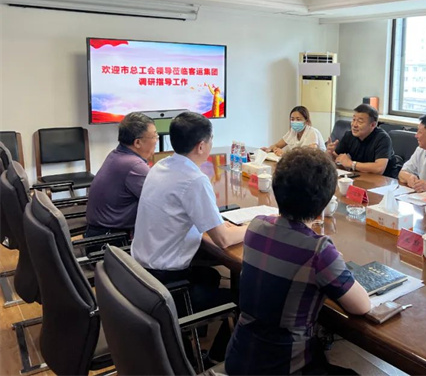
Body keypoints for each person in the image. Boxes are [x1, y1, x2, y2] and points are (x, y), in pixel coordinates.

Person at [225, 148, 371, 375]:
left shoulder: (256, 226)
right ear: (324, 201)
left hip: (240, 359)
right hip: (285, 367)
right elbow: (362, 306)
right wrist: (333, 263)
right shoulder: (319, 250)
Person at [131, 111, 246, 360]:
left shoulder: (160, 166)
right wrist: (256, 226)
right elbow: (223, 239)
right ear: (201, 146)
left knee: (211, 276)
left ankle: (190, 334)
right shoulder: (194, 180)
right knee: (245, 302)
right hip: (165, 284)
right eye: (211, 140)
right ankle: (215, 360)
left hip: (141, 274)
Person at [84, 112, 157, 238]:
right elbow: (159, 201)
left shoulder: (117, 154)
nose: (156, 140)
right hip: (112, 239)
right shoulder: (134, 165)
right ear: (137, 142)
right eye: (154, 136)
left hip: (97, 232)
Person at [327, 104, 399, 178]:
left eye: (360, 121)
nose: (354, 125)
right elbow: (338, 159)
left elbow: (379, 168)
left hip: (385, 181)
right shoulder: (349, 135)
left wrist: (352, 164)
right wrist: (331, 153)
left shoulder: (382, 138)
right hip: (360, 177)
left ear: (373, 125)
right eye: (353, 120)